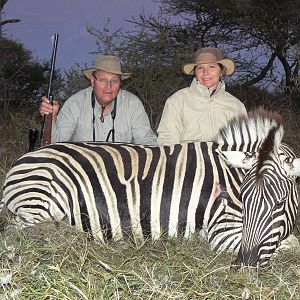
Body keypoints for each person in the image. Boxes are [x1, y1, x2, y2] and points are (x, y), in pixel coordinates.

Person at [39, 55, 157, 145]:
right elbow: (55, 144)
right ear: (92, 81)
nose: (109, 86)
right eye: (102, 80)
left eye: (114, 81)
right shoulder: (75, 103)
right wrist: (51, 117)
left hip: (121, 171)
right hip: (83, 172)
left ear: (120, 83)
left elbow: (147, 142)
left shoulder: (132, 104)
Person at [157, 47, 247, 146]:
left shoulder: (236, 105)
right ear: (195, 72)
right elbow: (167, 140)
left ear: (221, 71)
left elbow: (243, 143)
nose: (205, 72)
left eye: (212, 66)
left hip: (224, 159)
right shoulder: (177, 100)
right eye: (200, 68)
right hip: (187, 159)